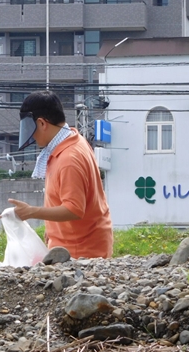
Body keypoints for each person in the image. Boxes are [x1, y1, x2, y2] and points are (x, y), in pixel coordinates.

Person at [8, 90, 113, 259]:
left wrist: (32, 212)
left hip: (80, 252)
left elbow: (74, 209)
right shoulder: (72, 138)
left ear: (42, 123)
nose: (32, 136)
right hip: (77, 245)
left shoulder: (68, 159)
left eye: (31, 128)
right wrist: (52, 230)